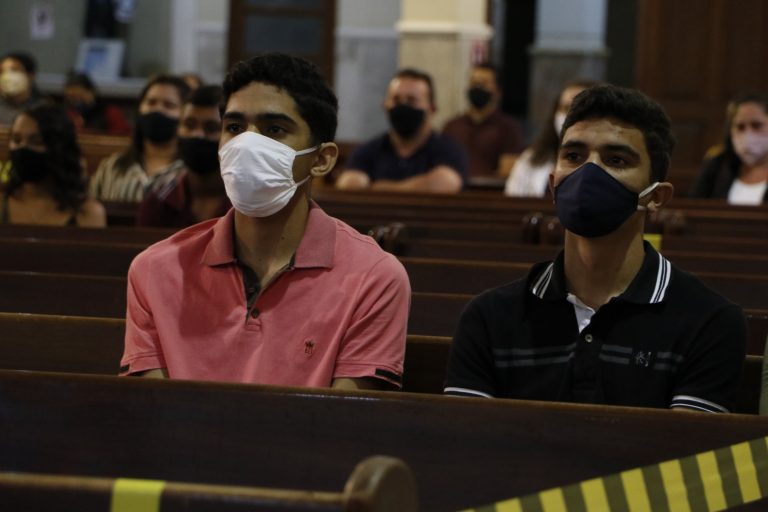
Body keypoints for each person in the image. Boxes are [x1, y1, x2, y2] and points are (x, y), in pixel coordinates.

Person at [445, 85, 746, 412]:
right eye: (573, 156)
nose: (589, 172)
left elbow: (684, 455)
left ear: (656, 197)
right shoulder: (488, 318)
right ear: (553, 184)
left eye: (616, 159)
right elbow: (467, 449)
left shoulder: (709, 321)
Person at [121, 53, 410, 390]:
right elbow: (154, 415)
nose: (247, 144)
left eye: (274, 129)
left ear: (321, 159)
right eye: (234, 127)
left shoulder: (374, 279)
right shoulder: (155, 271)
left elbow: (342, 426)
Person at [335, 68, 467, 193]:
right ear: (385, 105)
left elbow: (445, 183)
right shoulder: (368, 151)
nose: (403, 106)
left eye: (411, 100)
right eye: (396, 99)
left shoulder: (448, 150)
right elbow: (349, 184)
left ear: (432, 108)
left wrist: (377, 188)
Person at [137, 85, 230, 228]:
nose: (197, 134)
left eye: (211, 128)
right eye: (189, 125)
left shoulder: (248, 205)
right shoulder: (159, 202)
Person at [89, 75, 190, 202]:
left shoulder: (189, 173)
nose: (157, 109)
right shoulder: (112, 167)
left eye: (169, 105)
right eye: (151, 102)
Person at [1, 103, 105, 226]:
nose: (23, 148)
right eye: (16, 140)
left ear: (59, 149)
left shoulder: (86, 213)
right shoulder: (2, 204)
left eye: (36, 141)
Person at [504, 80, 597, 197]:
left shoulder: (602, 163)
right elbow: (512, 201)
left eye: (580, 108)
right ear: (555, 113)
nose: (571, 115)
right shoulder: (531, 158)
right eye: (566, 108)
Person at [442, 63, 524, 179]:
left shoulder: (509, 128)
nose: (477, 87)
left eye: (484, 83)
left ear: (498, 91)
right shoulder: (452, 126)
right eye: (474, 83)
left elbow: (508, 171)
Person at [690, 93, 768, 204]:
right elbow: (694, 208)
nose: (748, 134)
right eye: (740, 127)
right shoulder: (716, 165)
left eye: (756, 125)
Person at [62, 71, 131, 135]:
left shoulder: (110, 112)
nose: (76, 102)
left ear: (91, 92)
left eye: (79, 96)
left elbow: (121, 136)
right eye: (71, 98)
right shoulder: (67, 114)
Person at [0, 52, 42, 125]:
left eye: (14, 71)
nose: (6, 76)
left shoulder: (43, 110)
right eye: (2, 71)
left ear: (31, 76)